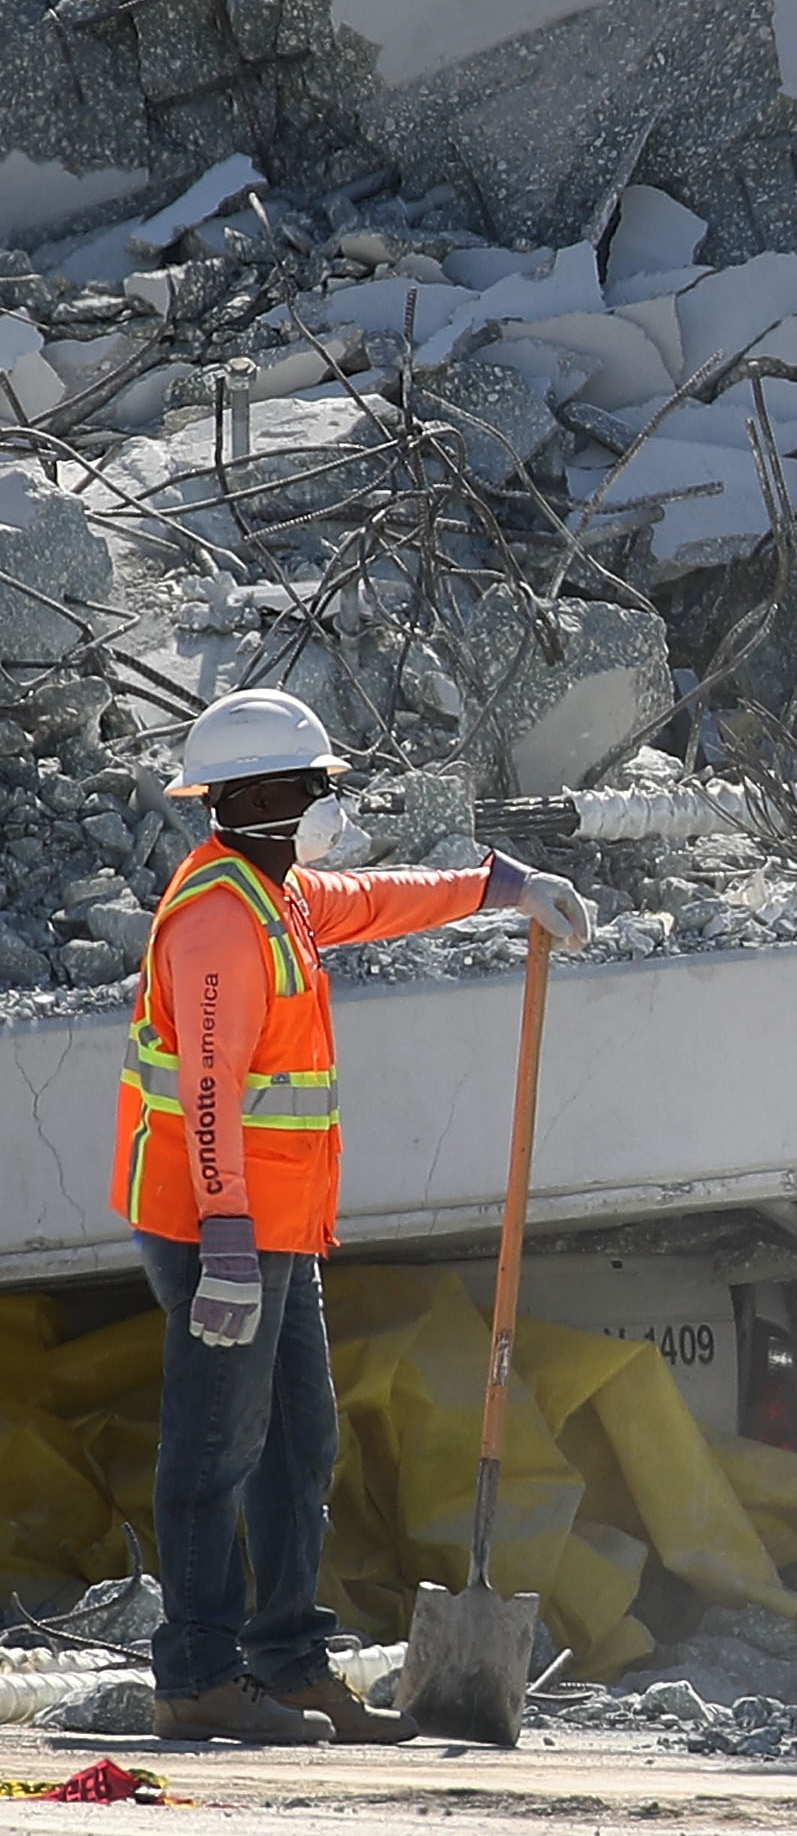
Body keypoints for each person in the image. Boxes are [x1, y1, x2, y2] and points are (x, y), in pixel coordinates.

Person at [113, 689, 592, 1744]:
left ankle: (286, 1664)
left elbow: (373, 898)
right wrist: (229, 1245)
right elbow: (205, 1096)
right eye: (310, 789)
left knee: (299, 1442)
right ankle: (198, 1675)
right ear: (253, 802)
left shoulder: (276, 895)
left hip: (273, 1227)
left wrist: (501, 885)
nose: (325, 805)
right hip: (215, 1230)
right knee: (215, 1448)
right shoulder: (216, 922)